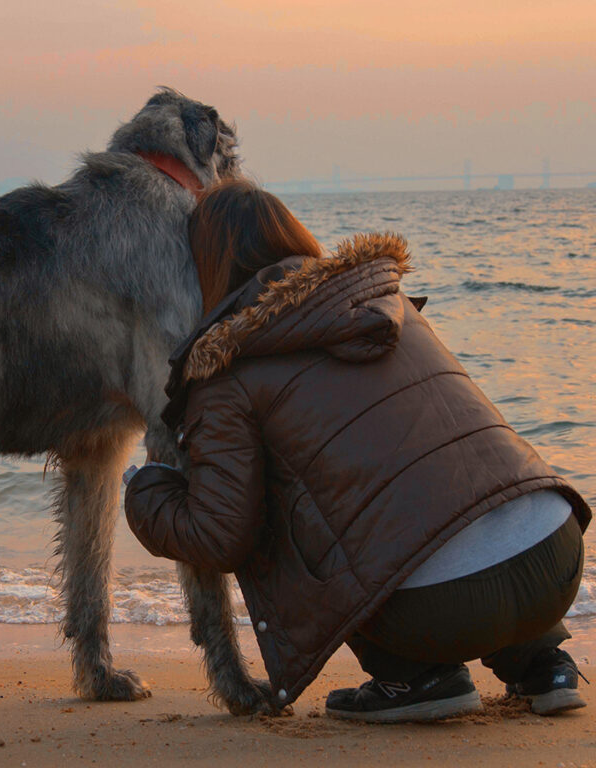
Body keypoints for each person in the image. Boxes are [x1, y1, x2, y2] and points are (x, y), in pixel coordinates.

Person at [123, 180, 590, 722]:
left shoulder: (227, 371)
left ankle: (415, 678)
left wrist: (147, 489)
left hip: (438, 605)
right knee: (438, 480)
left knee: (304, 513)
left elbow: (221, 536)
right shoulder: (388, 305)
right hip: (557, 557)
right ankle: (545, 664)